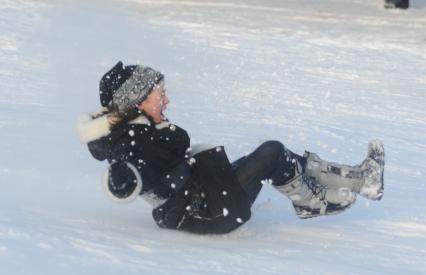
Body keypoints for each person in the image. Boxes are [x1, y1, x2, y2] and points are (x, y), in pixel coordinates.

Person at [77, 61, 385, 235]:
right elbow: (129, 170)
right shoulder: (131, 142)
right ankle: (315, 201)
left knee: (268, 158)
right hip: (205, 209)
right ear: (139, 101)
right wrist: (123, 178)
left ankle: (358, 179)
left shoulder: (142, 130)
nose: (167, 99)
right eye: (161, 94)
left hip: (205, 197)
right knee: (271, 153)